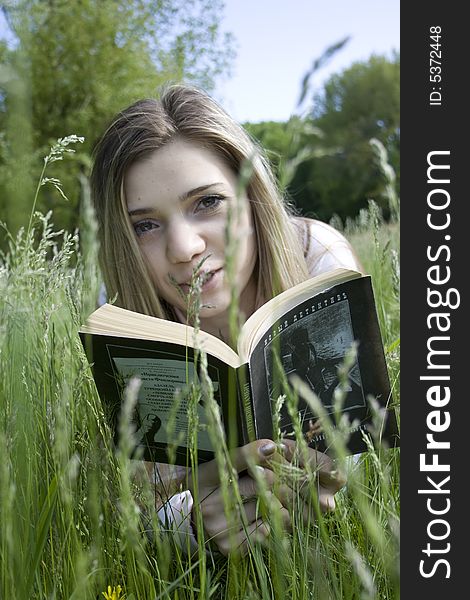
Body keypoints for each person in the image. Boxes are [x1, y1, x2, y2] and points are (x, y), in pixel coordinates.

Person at [90, 84, 362, 557]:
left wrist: (326, 475)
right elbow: (132, 501)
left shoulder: (318, 257)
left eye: (207, 203)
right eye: (145, 225)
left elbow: (360, 438)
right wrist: (191, 527)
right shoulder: (120, 309)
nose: (184, 248)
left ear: (250, 196)